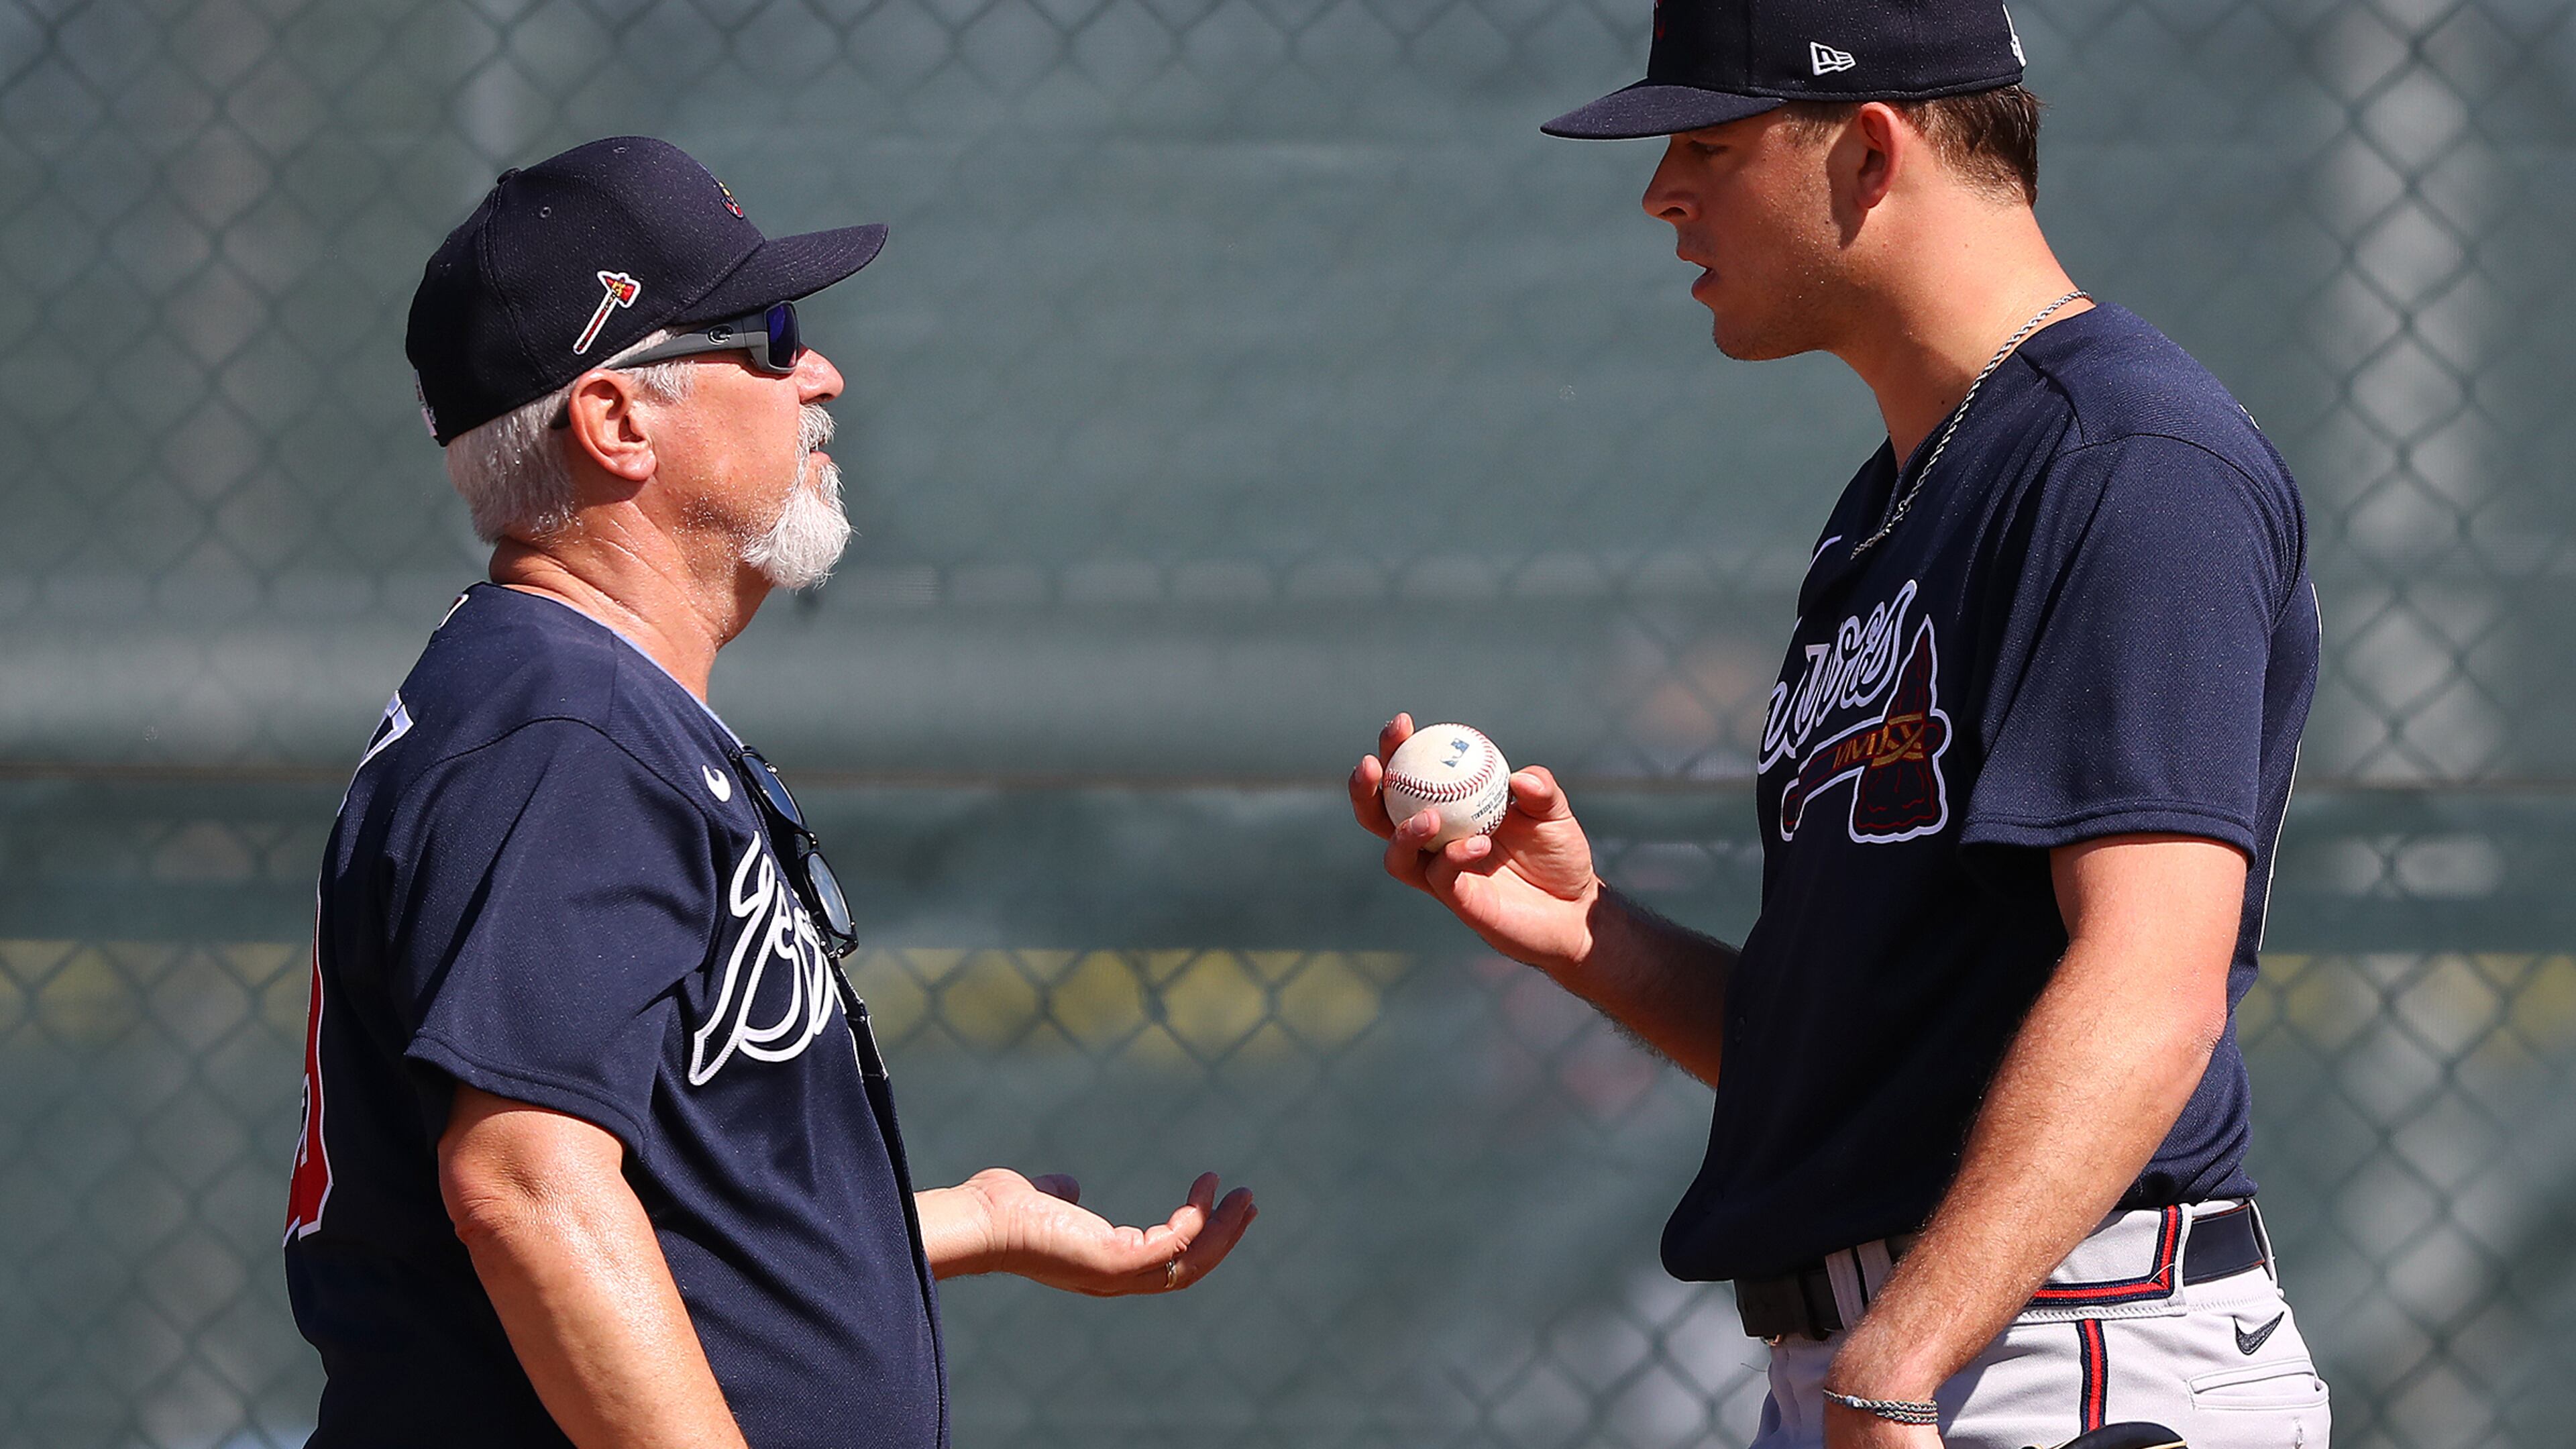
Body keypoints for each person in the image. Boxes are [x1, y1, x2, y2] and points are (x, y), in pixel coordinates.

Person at [1351, 3, 2328, 1446]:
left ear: (1869, 150)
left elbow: (2154, 979)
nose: (1661, 191)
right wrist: (1587, 931)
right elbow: (1872, 1060)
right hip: (1922, 1350)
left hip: (2061, 1356)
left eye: (1709, 142)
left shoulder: (2126, 464)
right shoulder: (1894, 509)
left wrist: (1896, 1363)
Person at [284, 136, 1254, 1449]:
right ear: (617, 422)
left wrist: (967, 1218)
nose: (822, 374)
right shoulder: (557, 734)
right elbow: (526, 1186)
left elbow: (653, 1194)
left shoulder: (571, 706)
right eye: (769, 336)